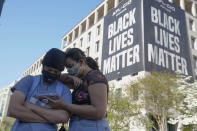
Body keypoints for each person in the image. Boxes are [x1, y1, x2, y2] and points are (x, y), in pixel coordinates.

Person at [45, 48, 111, 131]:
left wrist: (64, 105)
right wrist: (70, 76)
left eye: (70, 66)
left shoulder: (95, 77)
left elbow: (99, 112)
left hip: (92, 126)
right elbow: (56, 77)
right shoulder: (80, 79)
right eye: (67, 68)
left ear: (81, 62)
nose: (69, 70)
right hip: (78, 125)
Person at [8, 48, 72, 131]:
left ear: (61, 72)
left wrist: (30, 106)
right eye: (49, 70)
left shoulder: (64, 90)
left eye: (56, 72)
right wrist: (50, 118)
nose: (52, 73)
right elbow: (13, 109)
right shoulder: (29, 81)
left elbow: (63, 117)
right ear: (43, 66)